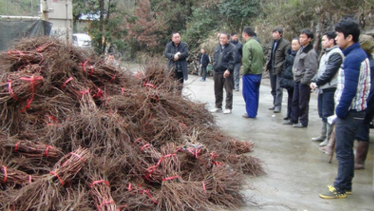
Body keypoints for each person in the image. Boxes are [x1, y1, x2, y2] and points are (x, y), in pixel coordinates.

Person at [320, 17, 370, 199]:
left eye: (339, 35)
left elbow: (350, 89)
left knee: (342, 151)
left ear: (349, 37)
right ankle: (346, 184)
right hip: (354, 112)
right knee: (346, 150)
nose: (336, 38)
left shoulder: (353, 59)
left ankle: (340, 187)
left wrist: (340, 112)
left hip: (350, 113)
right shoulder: (356, 55)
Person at [310, 31, 343, 146]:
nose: (322, 42)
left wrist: (317, 82)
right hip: (323, 87)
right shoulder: (325, 54)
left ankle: (329, 138)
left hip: (330, 87)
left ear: (331, 41)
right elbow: (320, 71)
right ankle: (323, 135)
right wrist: (314, 80)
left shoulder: (336, 54)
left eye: (324, 40)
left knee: (328, 113)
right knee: (322, 112)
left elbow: (329, 72)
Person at [283, 29, 318, 128]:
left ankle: (303, 121)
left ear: (309, 39)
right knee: (295, 101)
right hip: (297, 79)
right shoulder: (301, 49)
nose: (301, 39)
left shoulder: (310, 52)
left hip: (303, 81)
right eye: (300, 37)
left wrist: (304, 81)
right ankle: (294, 119)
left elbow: (311, 69)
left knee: (303, 102)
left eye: (303, 37)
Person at [354, 34, 374, 170]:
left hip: (367, 101)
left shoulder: (369, 64)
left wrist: (364, 103)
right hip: (366, 99)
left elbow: (370, 88)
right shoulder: (366, 61)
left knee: (362, 126)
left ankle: (359, 161)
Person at [241, 26, 265, 119]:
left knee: (248, 94)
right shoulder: (257, 43)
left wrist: (244, 72)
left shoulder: (247, 45)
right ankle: (253, 111)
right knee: (255, 93)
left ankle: (250, 113)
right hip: (258, 72)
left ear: (245, 34)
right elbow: (263, 59)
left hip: (250, 74)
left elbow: (246, 61)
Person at [210, 32, 236, 114]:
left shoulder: (232, 48)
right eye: (221, 38)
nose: (222, 40)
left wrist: (229, 70)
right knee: (217, 90)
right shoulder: (217, 47)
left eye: (224, 38)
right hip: (217, 72)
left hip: (227, 72)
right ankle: (218, 106)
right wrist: (214, 66)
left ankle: (228, 107)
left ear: (228, 39)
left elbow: (233, 60)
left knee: (228, 90)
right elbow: (215, 58)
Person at [266, 27, 290, 113]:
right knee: (273, 87)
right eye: (273, 33)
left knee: (278, 88)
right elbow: (269, 54)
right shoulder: (272, 42)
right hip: (271, 67)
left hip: (280, 69)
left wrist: (281, 65)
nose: (274, 34)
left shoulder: (286, 43)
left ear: (280, 34)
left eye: (276, 33)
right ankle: (274, 102)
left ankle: (278, 105)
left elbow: (287, 57)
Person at [280, 38, 300, 121]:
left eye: (295, 44)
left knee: (296, 99)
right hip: (288, 78)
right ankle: (289, 113)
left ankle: (295, 115)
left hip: (295, 78)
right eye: (292, 44)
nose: (293, 46)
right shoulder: (289, 53)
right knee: (290, 97)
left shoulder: (299, 54)